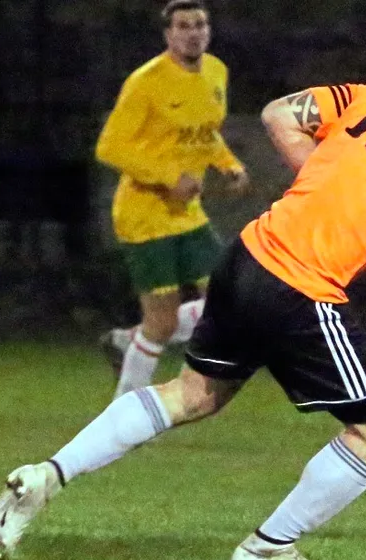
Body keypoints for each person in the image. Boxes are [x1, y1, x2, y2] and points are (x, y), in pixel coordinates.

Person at [0, 65, 366, 560]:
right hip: (300, 286)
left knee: (193, 394)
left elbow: (280, 113)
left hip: (249, 255)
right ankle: (267, 550)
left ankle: (47, 476)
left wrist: (325, 189)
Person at [96, 0, 249, 399]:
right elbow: (110, 147)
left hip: (188, 216)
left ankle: (129, 340)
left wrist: (227, 164)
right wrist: (166, 177)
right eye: (183, 26)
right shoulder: (146, 81)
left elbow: (206, 132)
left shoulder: (217, 72)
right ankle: (123, 409)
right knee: (161, 324)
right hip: (144, 215)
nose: (193, 32)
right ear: (169, 34)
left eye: (200, 24)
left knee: (229, 299)